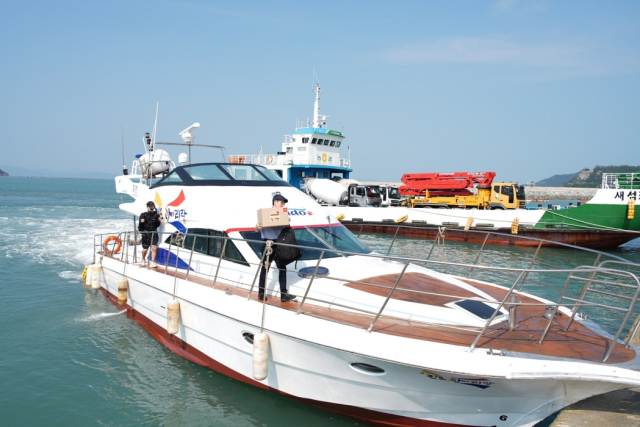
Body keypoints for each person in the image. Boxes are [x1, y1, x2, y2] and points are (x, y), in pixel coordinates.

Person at [255, 194, 297, 303]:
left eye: (283, 202)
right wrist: (258, 227)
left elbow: (286, 228)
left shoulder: (283, 214)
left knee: (282, 268)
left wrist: (287, 223)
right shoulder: (265, 213)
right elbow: (256, 228)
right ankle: (261, 292)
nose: (282, 204)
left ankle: (283, 294)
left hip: (279, 243)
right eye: (281, 202)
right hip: (268, 243)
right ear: (275, 202)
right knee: (265, 268)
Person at [139, 201, 161, 267]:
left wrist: (159, 220)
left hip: (154, 233)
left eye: (152, 207)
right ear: (147, 207)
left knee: (154, 247)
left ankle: (152, 261)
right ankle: (143, 259)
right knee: (145, 249)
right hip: (146, 233)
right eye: (149, 207)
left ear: (154, 207)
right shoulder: (143, 214)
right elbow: (140, 225)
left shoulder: (156, 215)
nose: (151, 208)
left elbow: (158, 224)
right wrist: (142, 222)